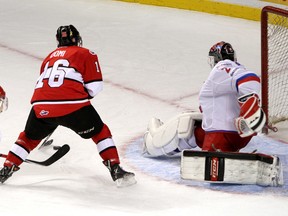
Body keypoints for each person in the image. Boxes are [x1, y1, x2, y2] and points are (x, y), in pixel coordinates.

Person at [0, 25, 136, 187]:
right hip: (72, 105)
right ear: (77, 38)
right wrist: (76, 98)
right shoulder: (86, 53)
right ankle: (115, 169)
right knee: (100, 132)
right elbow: (95, 87)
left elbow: (47, 87)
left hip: (40, 105)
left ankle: (6, 170)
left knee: (28, 138)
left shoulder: (49, 58)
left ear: (58, 41)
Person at [143, 41, 266, 156]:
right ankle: (156, 142)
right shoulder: (231, 75)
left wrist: (250, 109)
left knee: (184, 125)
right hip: (239, 136)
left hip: (220, 136)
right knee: (191, 129)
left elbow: (250, 79)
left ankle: (152, 144)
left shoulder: (221, 68)